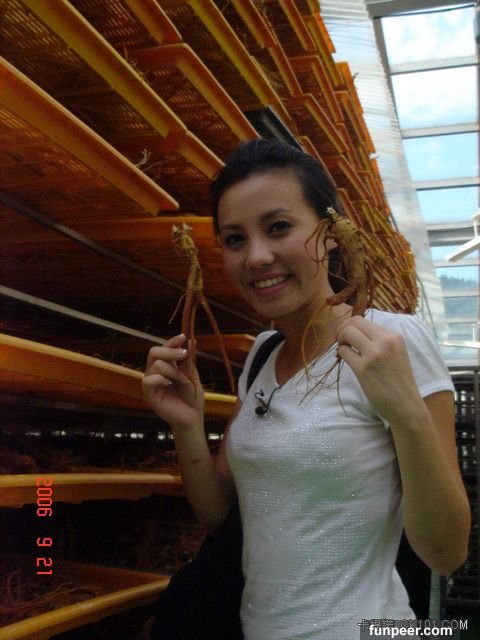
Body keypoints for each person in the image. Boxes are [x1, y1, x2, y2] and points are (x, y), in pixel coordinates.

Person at [143, 139, 470, 639]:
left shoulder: (393, 341)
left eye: (278, 227)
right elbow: (221, 514)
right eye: (235, 239)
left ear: (331, 233)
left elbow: (447, 553)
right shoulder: (262, 355)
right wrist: (188, 425)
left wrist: (406, 414)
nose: (257, 256)